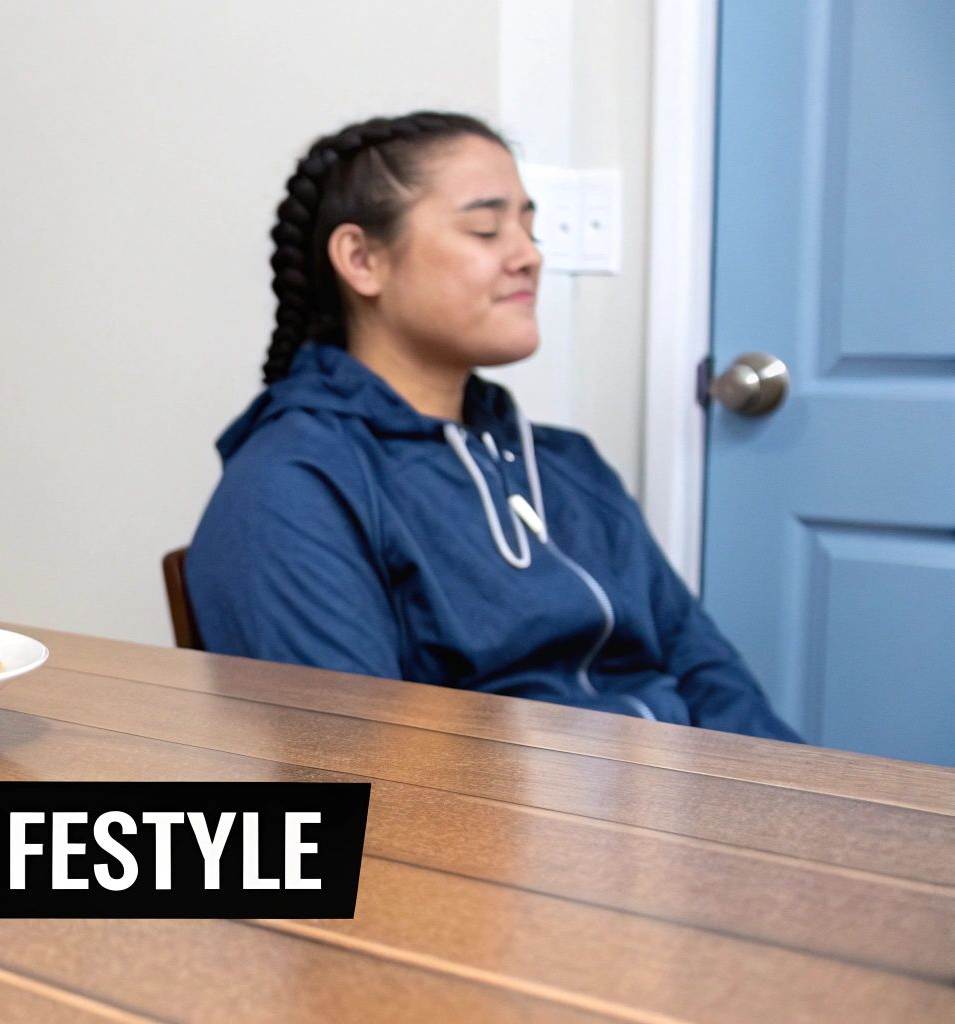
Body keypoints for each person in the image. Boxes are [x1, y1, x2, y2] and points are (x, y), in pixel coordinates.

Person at [185, 111, 800, 741]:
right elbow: (362, 766)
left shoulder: (566, 463)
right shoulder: (294, 487)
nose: (529, 256)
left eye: (530, 228)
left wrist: (798, 804)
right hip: (537, 832)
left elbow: (705, 668)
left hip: (688, 803)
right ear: (362, 259)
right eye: (485, 228)